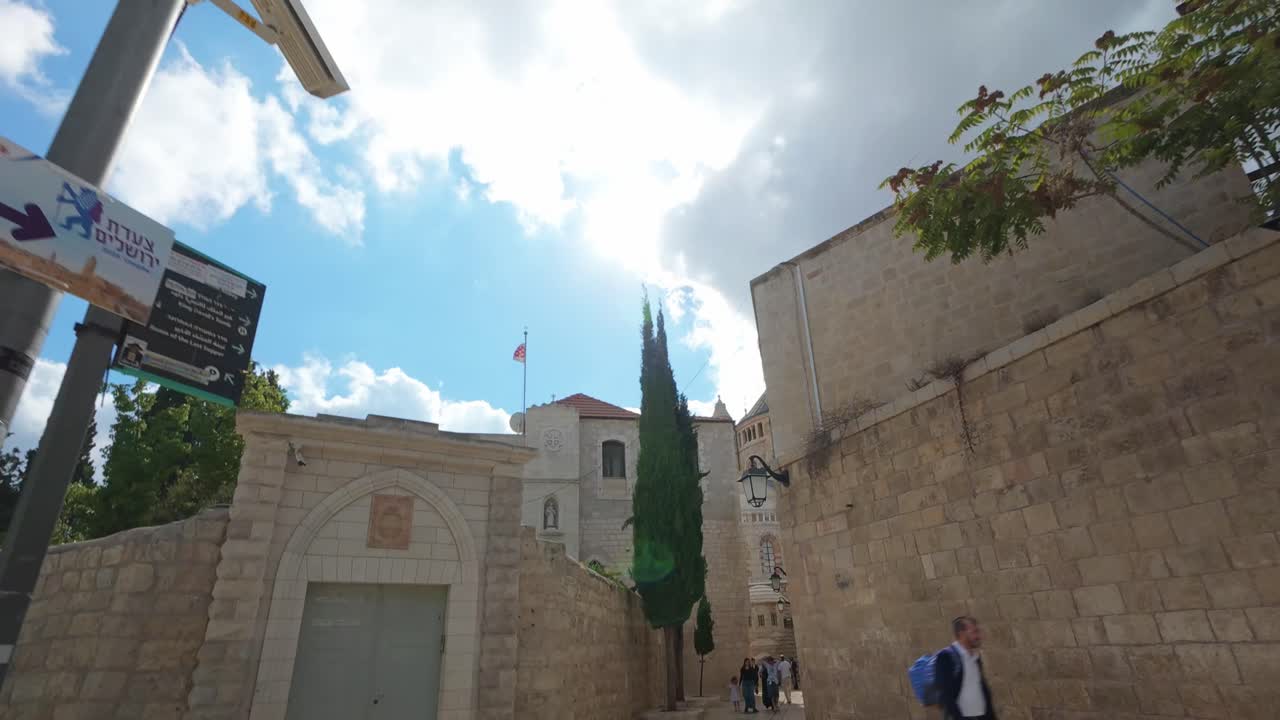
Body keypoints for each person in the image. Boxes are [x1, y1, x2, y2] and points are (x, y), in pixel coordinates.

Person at [936, 616, 997, 720]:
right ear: (962, 634)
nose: (979, 636)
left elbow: (982, 689)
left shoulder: (975, 658)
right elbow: (946, 694)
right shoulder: (946, 656)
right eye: (975, 632)